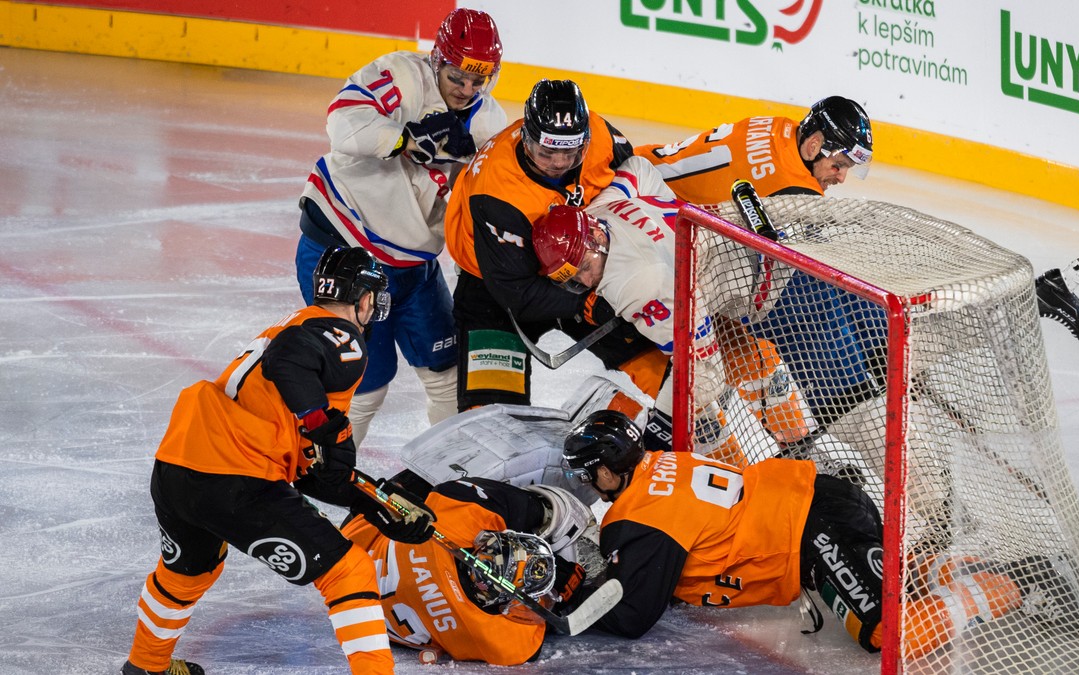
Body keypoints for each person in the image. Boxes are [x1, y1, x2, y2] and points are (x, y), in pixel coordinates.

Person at [122, 247, 436, 675]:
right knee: (349, 572)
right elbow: (288, 361)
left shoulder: (294, 326)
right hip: (236, 478)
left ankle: (145, 665)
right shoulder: (342, 338)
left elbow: (312, 469)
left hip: (179, 465)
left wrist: (371, 500)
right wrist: (323, 422)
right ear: (363, 298)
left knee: (187, 572)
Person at [560, 410, 1079, 658]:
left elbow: (633, 616)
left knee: (883, 631)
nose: (586, 483)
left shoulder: (640, 513)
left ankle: (1017, 587)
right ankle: (1003, 570)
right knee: (889, 579)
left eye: (587, 472)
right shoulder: (661, 462)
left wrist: (563, 598)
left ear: (608, 468)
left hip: (810, 530)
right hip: (820, 498)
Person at [635, 95, 1079, 343]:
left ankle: (1029, 298)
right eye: (838, 166)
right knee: (864, 311)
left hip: (646, 186)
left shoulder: (780, 129)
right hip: (643, 216)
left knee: (860, 311)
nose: (840, 178)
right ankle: (1027, 298)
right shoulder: (791, 183)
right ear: (816, 144)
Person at [296, 8, 508, 447]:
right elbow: (342, 123)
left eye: (478, 80)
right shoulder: (398, 76)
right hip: (343, 250)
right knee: (363, 384)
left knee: (447, 374)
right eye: (457, 77)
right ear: (437, 60)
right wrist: (404, 139)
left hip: (413, 265)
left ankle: (449, 475)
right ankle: (326, 481)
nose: (467, 90)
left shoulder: (490, 122)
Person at [530, 157, 812, 462]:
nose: (586, 281)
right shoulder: (600, 210)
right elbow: (639, 167)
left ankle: (777, 473)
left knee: (845, 397)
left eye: (585, 267)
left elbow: (704, 374)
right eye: (572, 278)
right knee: (745, 363)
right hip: (764, 246)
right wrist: (673, 229)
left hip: (779, 294)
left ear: (597, 238)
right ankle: (804, 455)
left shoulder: (635, 284)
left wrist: (657, 432)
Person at [444, 78, 670, 414]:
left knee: (665, 369)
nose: (559, 163)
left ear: (585, 139)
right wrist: (585, 306)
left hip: (583, 266)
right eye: (546, 151)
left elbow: (631, 190)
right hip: (493, 290)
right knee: (491, 415)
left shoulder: (600, 136)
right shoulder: (497, 188)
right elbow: (516, 292)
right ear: (526, 137)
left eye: (570, 151)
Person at [340, 473, 592, 665]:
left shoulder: (456, 518)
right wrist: (564, 588)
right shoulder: (495, 639)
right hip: (347, 589)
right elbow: (536, 619)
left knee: (421, 483)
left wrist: (535, 513)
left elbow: (486, 495)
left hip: (355, 541)